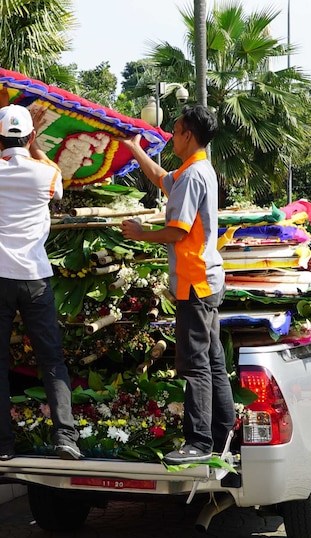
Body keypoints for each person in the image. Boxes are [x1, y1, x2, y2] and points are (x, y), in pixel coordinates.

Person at [118, 105, 234, 465]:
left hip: (195, 283)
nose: (171, 133)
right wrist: (135, 148)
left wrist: (140, 233)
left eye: (176, 128)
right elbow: (161, 178)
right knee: (213, 360)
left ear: (189, 135)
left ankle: (199, 442)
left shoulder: (192, 176)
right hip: (207, 279)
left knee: (195, 363)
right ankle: (226, 431)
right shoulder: (197, 169)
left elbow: (176, 231)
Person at [0, 87, 80, 461]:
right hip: (34, 277)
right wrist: (31, 143)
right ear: (32, 137)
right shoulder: (45, 175)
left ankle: (2, 444)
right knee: (51, 359)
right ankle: (66, 437)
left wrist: (0, 110)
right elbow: (49, 170)